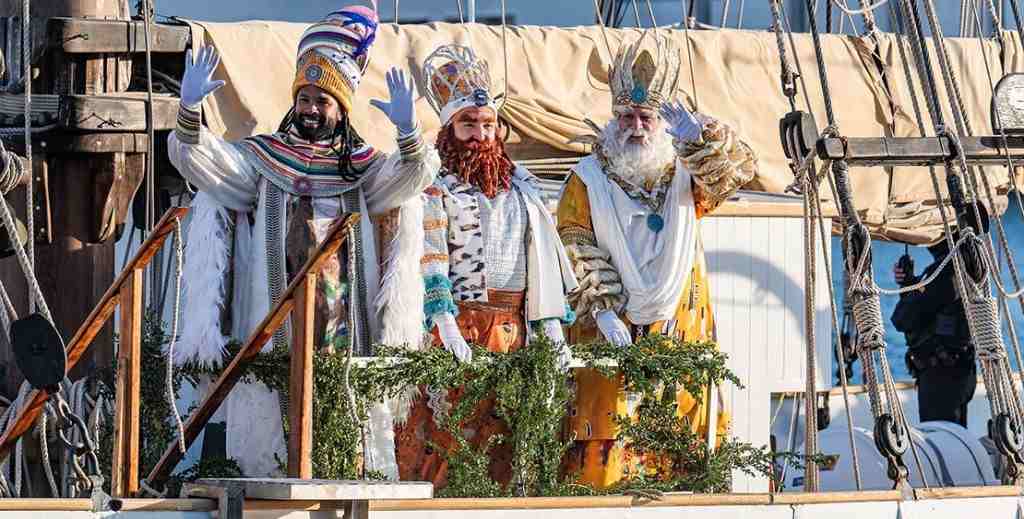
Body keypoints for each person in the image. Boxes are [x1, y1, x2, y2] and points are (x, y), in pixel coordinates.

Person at [167, 5, 437, 478]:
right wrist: (189, 116)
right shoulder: (264, 158)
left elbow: (412, 178)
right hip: (272, 323)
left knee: (348, 444)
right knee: (267, 441)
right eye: (305, 98)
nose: (312, 109)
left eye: (323, 100)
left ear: (342, 107)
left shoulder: (361, 169)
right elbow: (204, 168)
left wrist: (409, 132)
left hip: (344, 325)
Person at [555, 34, 757, 488]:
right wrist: (605, 311)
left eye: (646, 117)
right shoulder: (585, 180)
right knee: (605, 443)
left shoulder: (686, 172)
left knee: (682, 440)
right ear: (613, 118)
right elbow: (573, 244)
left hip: (681, 324)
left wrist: (700, 141)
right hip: (609, 333)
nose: (637, 128)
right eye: (626, 116)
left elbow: (735, 174)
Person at [392, 44, 578, 490]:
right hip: (459, 327)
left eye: (488, 124)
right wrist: (444, 321)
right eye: (468, 124)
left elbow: (543, 263)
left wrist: (551, 326)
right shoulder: (437, 185)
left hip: (513, 332)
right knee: (446, 441)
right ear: (450, 128)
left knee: (504, 446)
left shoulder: (523, 189)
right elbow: (430, 253)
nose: (479, 134)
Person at [891, 204, 989, 427]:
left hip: (941, 378)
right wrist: (910, 284)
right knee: (954, 436)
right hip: (957, 372)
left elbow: (902, 319)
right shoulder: (965, 267)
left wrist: (908, 286)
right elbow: (932, 303)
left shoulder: (946, 272)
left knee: (942, 440)